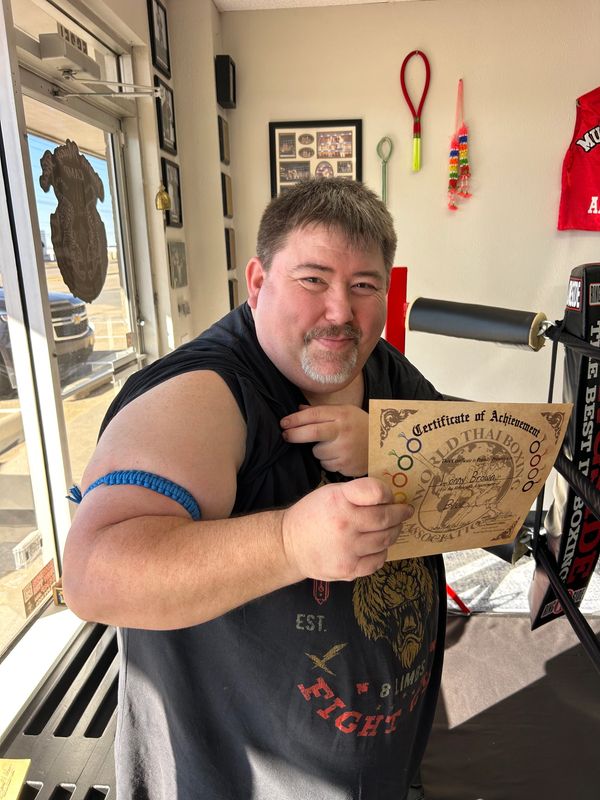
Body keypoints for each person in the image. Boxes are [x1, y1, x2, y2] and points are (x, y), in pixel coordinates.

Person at [63, 178, 446, 800]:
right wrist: (291, 541)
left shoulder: (384, 369)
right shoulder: (206, 392)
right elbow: (93, 572)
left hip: (383, 760)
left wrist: (385, 442)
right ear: (260, 282)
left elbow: (487, 461)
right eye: (313, 279)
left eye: (365, 285)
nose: (342, 312)